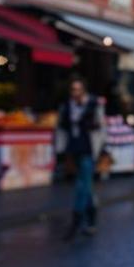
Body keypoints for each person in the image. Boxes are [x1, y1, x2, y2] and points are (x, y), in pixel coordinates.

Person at [55, 77, 106, 239]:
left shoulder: (93, 104)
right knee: (87, 186)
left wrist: (100, 147)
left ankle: (76, 220)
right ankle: (91, 220)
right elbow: (61, 127)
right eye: (73, 89)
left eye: (78, 89)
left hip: (88, 148)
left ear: (84, 90)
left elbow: (101, 127)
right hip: (72, 148)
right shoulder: (66, 106)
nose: (75, 92)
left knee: (81, 185)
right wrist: (60, 149)